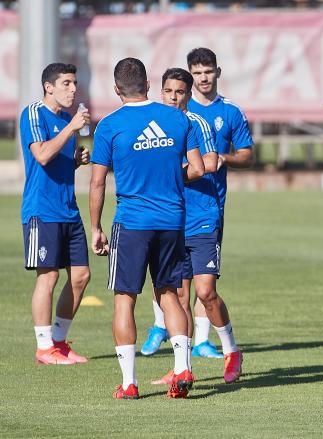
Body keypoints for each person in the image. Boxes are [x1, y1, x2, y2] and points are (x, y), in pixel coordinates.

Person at [89, 57, 204, 399]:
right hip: (172, 221)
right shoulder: (176, 118)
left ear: (116, 89)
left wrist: (95, 227)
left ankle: (129, 383)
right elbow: (197, 168)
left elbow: (97, 184)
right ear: (149, 85)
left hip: (133, 223)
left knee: (125, 299)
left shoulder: (109, 126)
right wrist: (168, 179)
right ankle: (182, 367)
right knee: (169, 293)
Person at [140, 47, 253, 360]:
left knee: (204, 290)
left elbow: (225, 159)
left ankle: (219, 344)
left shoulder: (213, 118)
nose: (175, 97)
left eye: (208, 71)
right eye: (169, 91)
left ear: (217, 72)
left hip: (205, 212)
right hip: (168, 215)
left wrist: (216, 160)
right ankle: (180, 361)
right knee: (177, 291)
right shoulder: (155, 121)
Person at [20, 63, 91, 365]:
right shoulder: (34, 113)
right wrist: (72, 128)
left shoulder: (66, 120)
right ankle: (43, 347)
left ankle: (59, 343)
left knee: (81, 276)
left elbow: (57, 160)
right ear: (49, 87)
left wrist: (76, 160)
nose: (73, 89)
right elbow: (42, 154)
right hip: (42, 209)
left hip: (68, 210)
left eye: (74, 83)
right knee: (47, 276)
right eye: (66, 84)